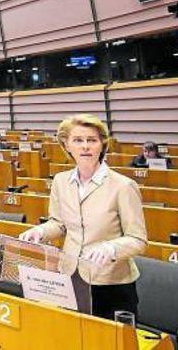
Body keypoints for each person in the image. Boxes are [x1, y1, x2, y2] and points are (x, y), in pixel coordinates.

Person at [19, 114, 147, 319]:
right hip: (70, 275)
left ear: (102, 145)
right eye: (78, 140)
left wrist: (111, 247)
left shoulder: (123, 186)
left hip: (111, 283)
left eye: (92, 140)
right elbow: (59, 224)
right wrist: (40, 231)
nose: (85, 146)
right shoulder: (61, 181)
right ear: (66, 145)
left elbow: (138, 240)